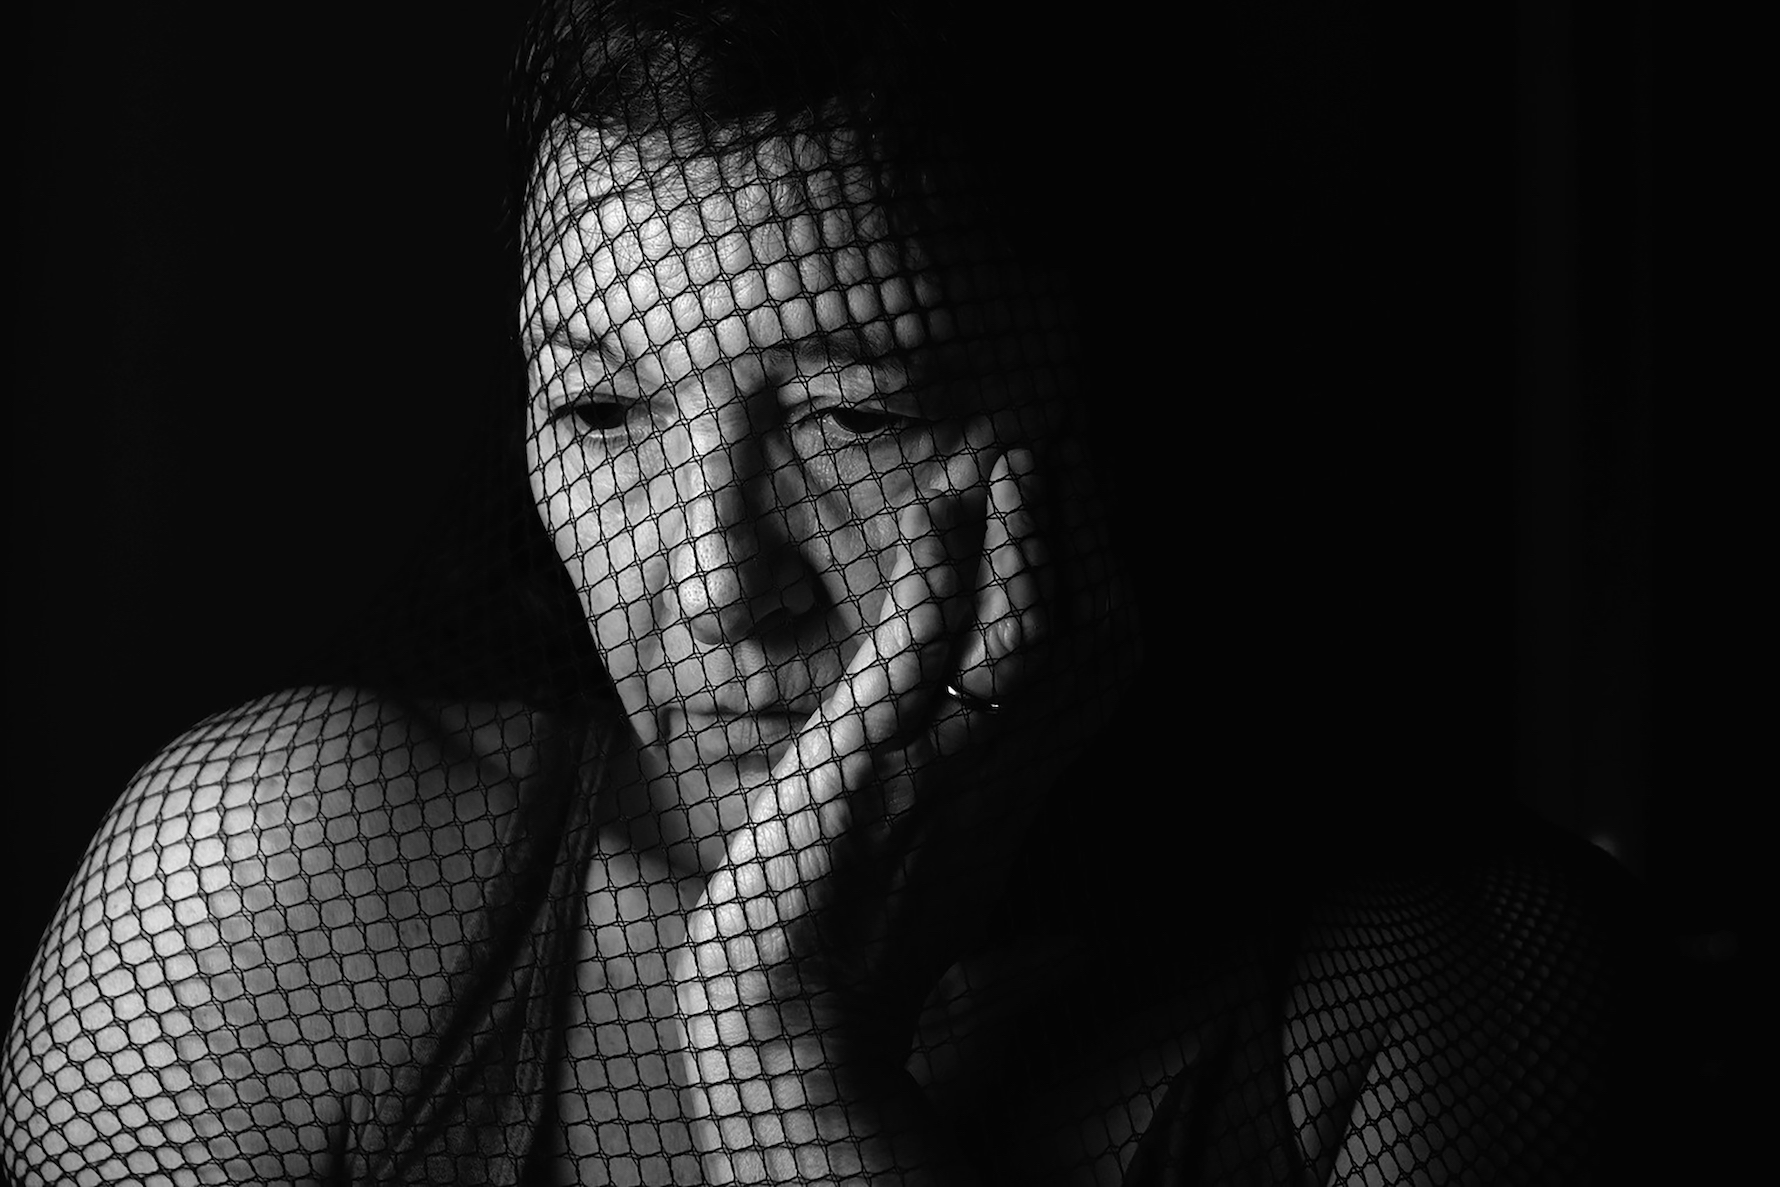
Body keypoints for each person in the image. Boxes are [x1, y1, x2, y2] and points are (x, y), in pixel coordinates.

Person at [2, 3, 1656, 1184]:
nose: (715, 578)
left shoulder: (1433, 990)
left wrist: (787, 1068)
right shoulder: (273, 885)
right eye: (602, 412)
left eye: (858, 417)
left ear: (1113, 400)